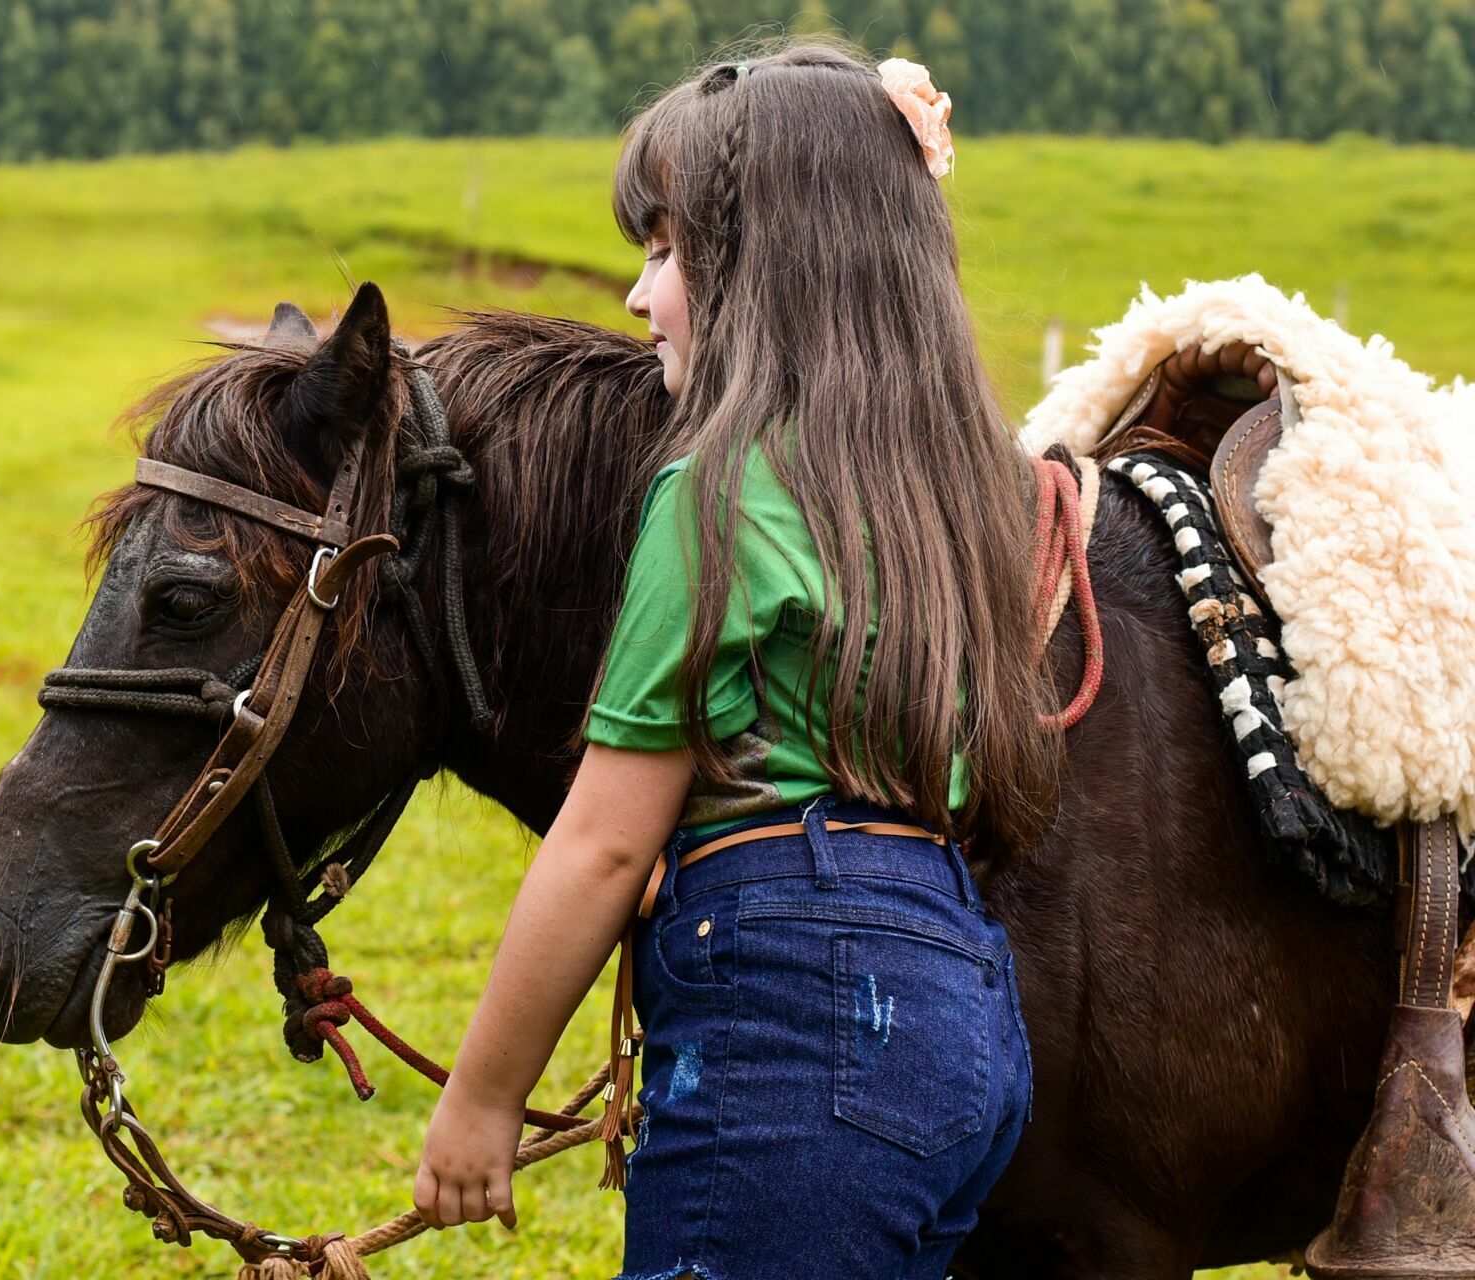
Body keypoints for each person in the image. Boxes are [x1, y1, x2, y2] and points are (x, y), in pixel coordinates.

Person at [415, 39, 1064, 1279]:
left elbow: (604, 838)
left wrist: (483, 1098)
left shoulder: (717, 493)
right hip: (961, 1022)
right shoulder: (968, 505)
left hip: (795, 1029)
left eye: (665, 252)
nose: (636, 295)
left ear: (769, 268)